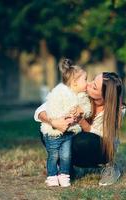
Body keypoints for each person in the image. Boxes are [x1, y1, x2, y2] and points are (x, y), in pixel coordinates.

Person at [34, 71, 125, 186]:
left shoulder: (117, 111)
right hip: (74, 142)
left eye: (94, 87)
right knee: (47, 130)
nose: (89, 84)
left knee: (82, 141)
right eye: (92, 80)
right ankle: (65, 168)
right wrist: (54, 122)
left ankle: (109, 166)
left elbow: (105, 137)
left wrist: (82, 121)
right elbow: (40, 111)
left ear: (104, 96)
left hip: (100, 149)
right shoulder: (81, 93)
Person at [39, 58, 92, 187]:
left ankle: (64, 175)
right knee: (54, 155)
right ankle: (52, 176)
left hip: (69, 133)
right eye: (85, 79)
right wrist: (60, 119)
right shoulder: (60, 92)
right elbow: (50, 107)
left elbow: (87, 109)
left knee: (66, 155)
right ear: (74, 83)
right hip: (54, 132)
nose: (88, 82)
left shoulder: (83, 97)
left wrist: (81, 111)